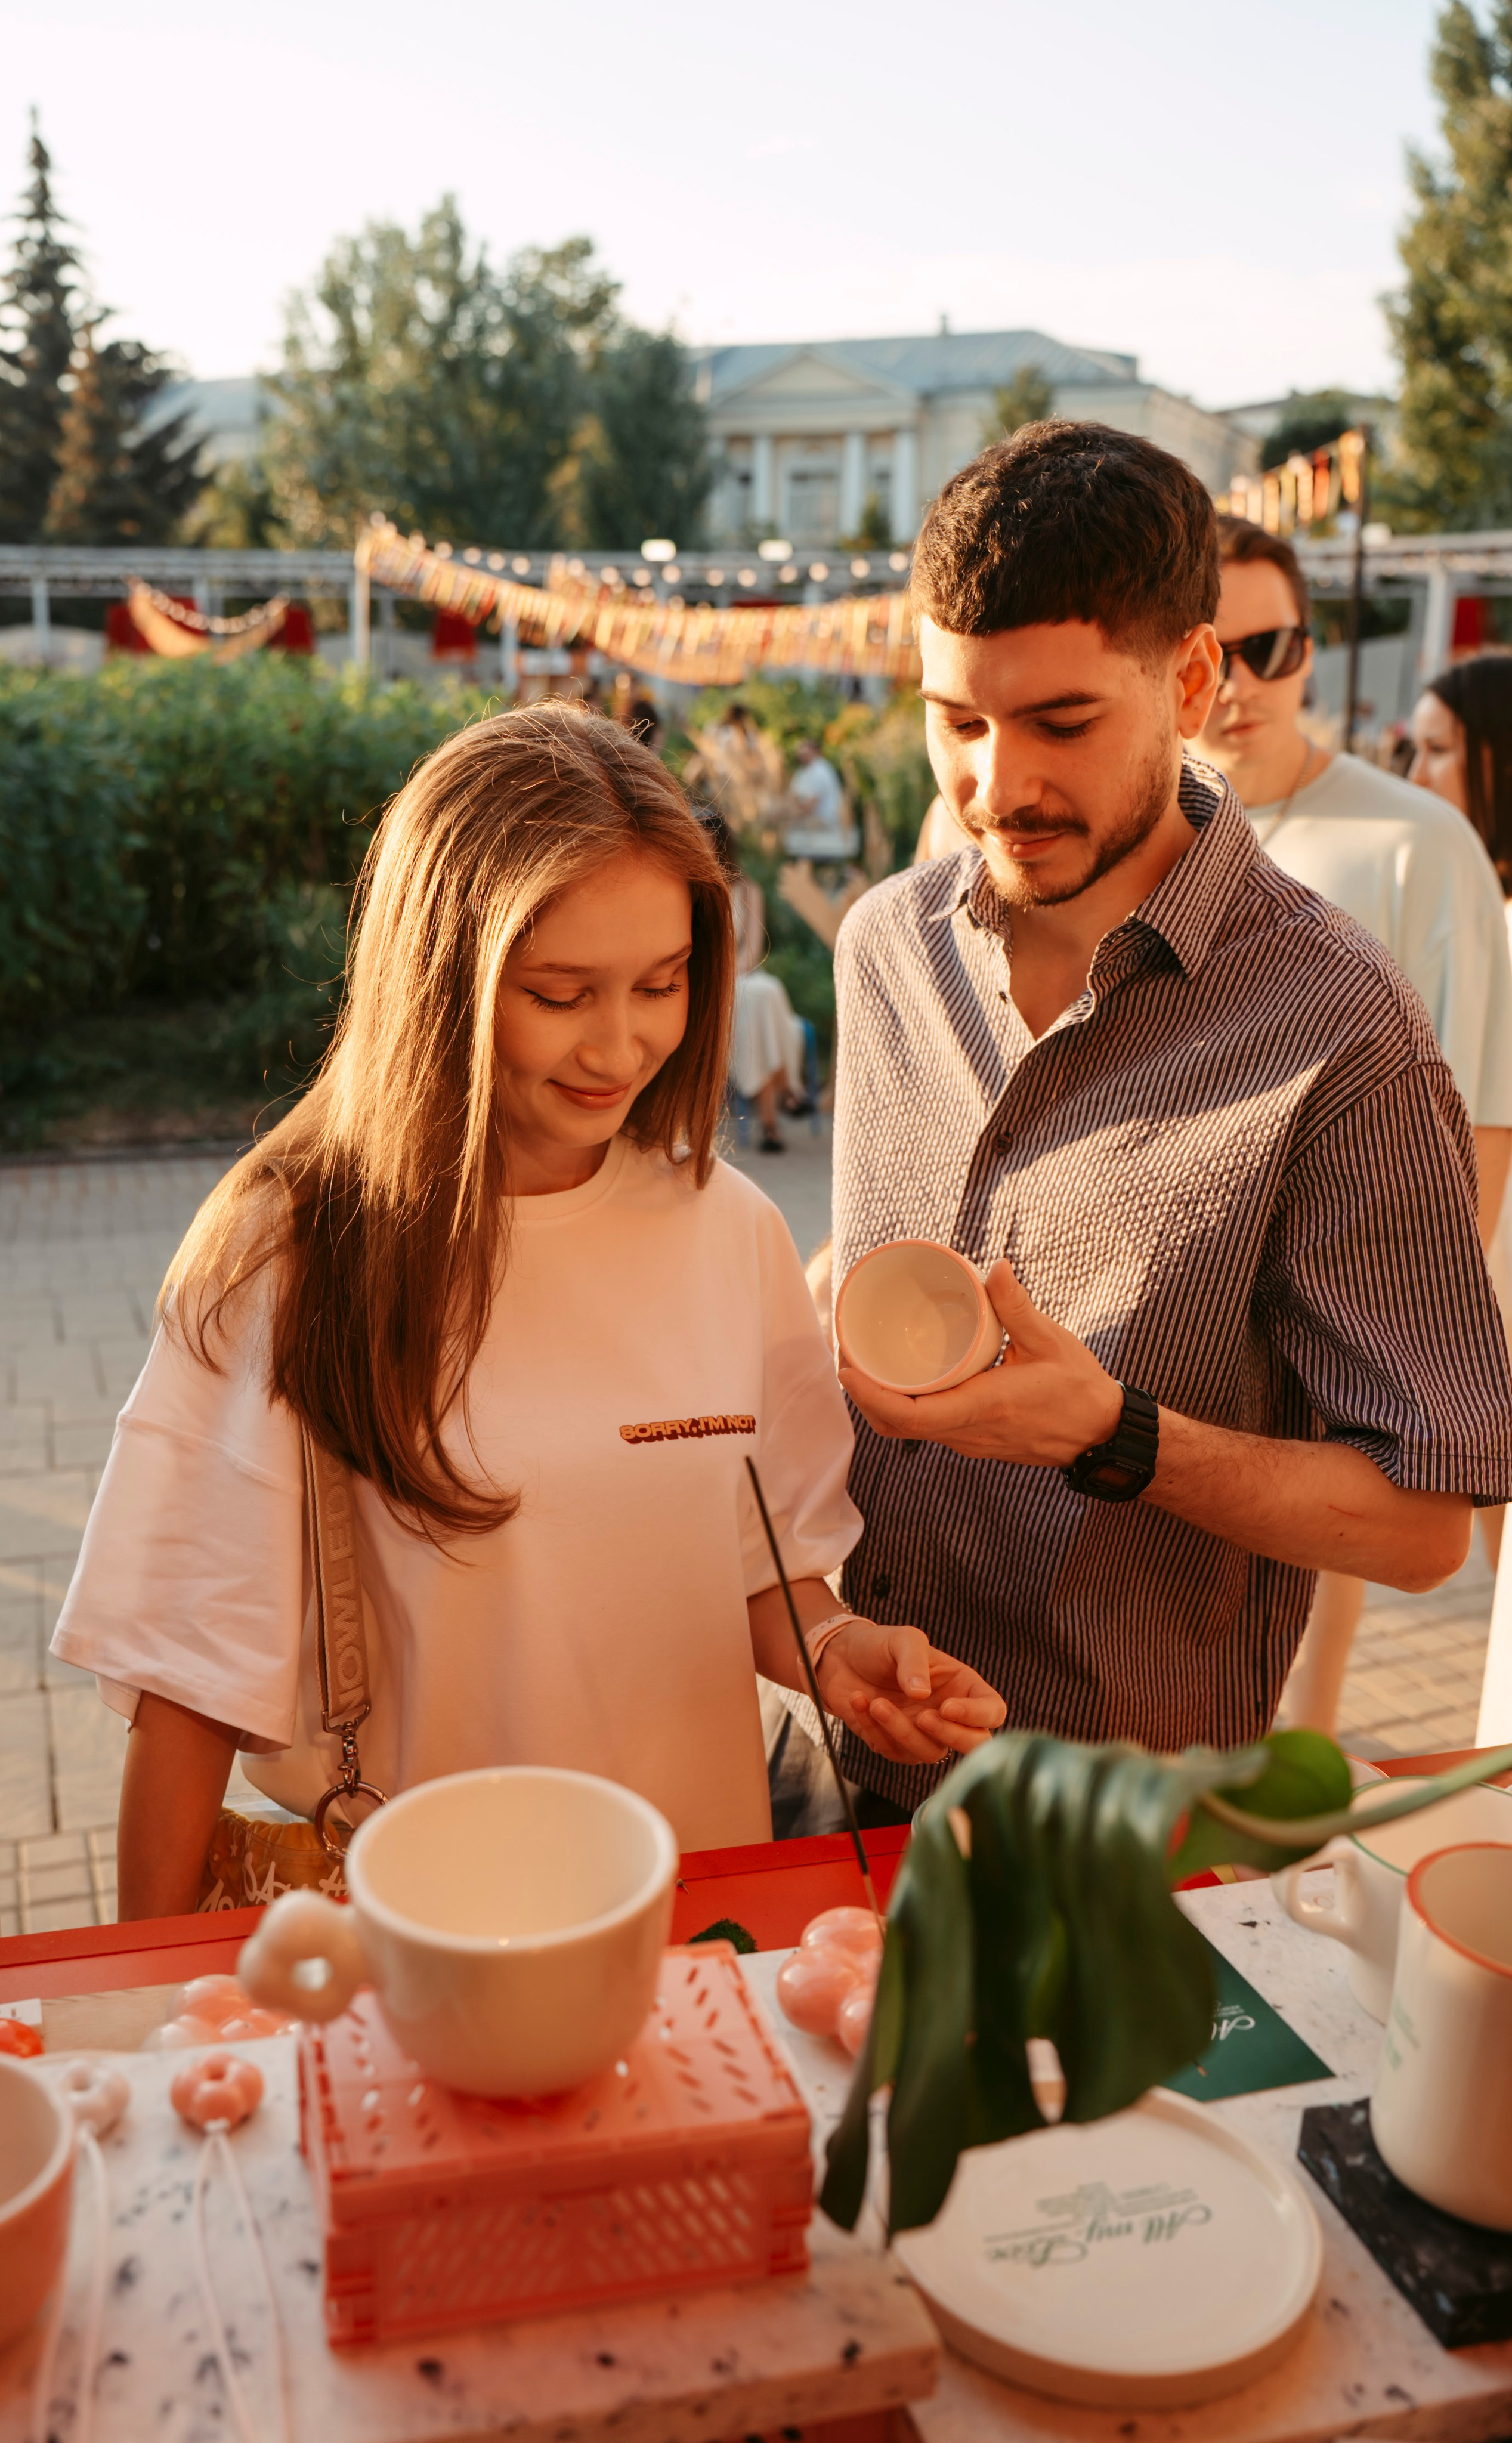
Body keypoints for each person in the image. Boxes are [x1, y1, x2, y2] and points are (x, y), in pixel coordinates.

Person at [51, 706, 1004, 1916]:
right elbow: (187, 1682)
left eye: (662, 983)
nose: (621, 1043)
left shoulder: (730, 1227)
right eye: (560, 993)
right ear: (440, 976)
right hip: (421, 1949)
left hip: (691, 1932)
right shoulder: (291, 1253)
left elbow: (767, 1568)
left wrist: (839, 1652)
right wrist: (156, 2006)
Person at [820, 421, 1511, 1826]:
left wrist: (1116, 1435)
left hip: (1124, 1842)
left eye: (1061, 724)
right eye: (958, 719)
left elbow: (1427, 1524)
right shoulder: (884, 945)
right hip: (841, 1767)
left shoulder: (1338, 1027)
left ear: (1192, 679)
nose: (995, 786)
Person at [1193, 522, 1512, 1733]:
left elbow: (1477, 1111)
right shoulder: (1131, 843)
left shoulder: (1413, 841)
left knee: (1287, 1724)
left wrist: (1404, 1355)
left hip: (1324, 1325)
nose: (1235, 683)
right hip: (1151, 1330)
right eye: (1203, 650)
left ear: (1309, 652)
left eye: (1264, 647)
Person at [706, 811, 809, 1153]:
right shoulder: (689, 889)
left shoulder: (747, 889)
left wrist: (732, 974)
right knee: (768, 997)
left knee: (762, 996)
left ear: (720, 843)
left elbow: (753, 946)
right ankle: (787, 1097)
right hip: (709, 984)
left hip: (742, 976)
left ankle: (769, 1123)